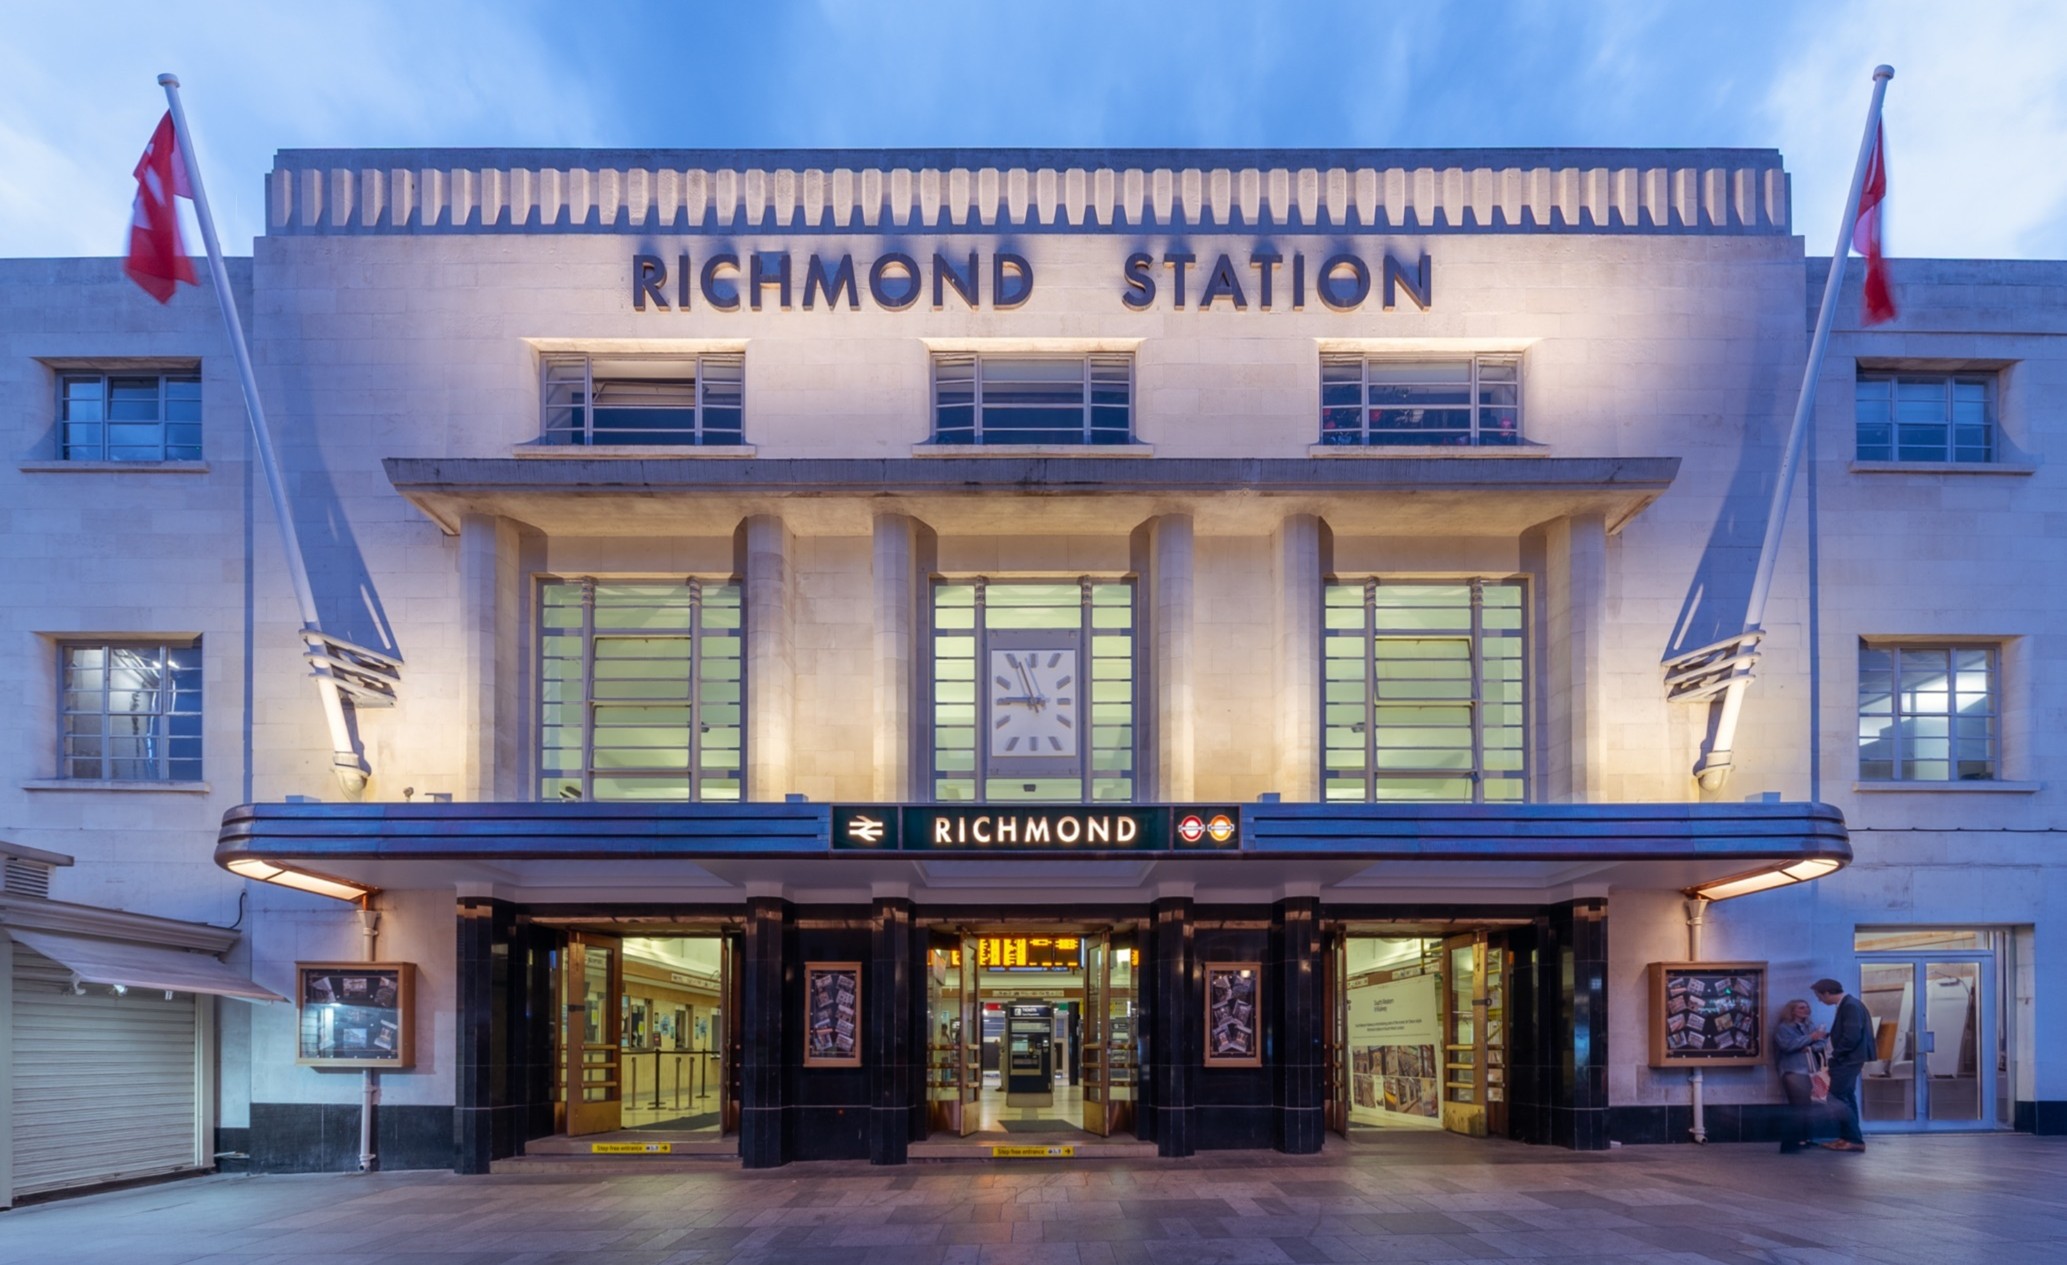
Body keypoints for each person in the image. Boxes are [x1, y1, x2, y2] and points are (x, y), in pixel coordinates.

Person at [1813, 977, 1872, 1152]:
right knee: (1845, 1097)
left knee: (1837, 1098)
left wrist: (1836, 1056)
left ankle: (1853, 1139)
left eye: (1819, 996)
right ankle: (1848, 1137)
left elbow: (1851, 1036)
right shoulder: (1849, 1004)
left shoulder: (1850, 1006)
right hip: (1848, 1060)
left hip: (1846, 1060)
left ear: (1827, 992)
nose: (1819, 1000)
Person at [1772, 998, 1829, 1153]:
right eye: (1801, 1008)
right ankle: (1792, 1141)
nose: (1805, 1010)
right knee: (1798, 1105)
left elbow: (1821, 1043)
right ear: (1792, 1011)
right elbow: (1787, 1045)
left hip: (1809, 1069)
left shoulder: (1810, 1026)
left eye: (1806, 1007)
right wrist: (1810, 1039)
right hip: (1793, 1070)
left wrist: (1809, 1046)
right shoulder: (1784, 1028)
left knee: (1807, 1106)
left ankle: (1804, 1138)